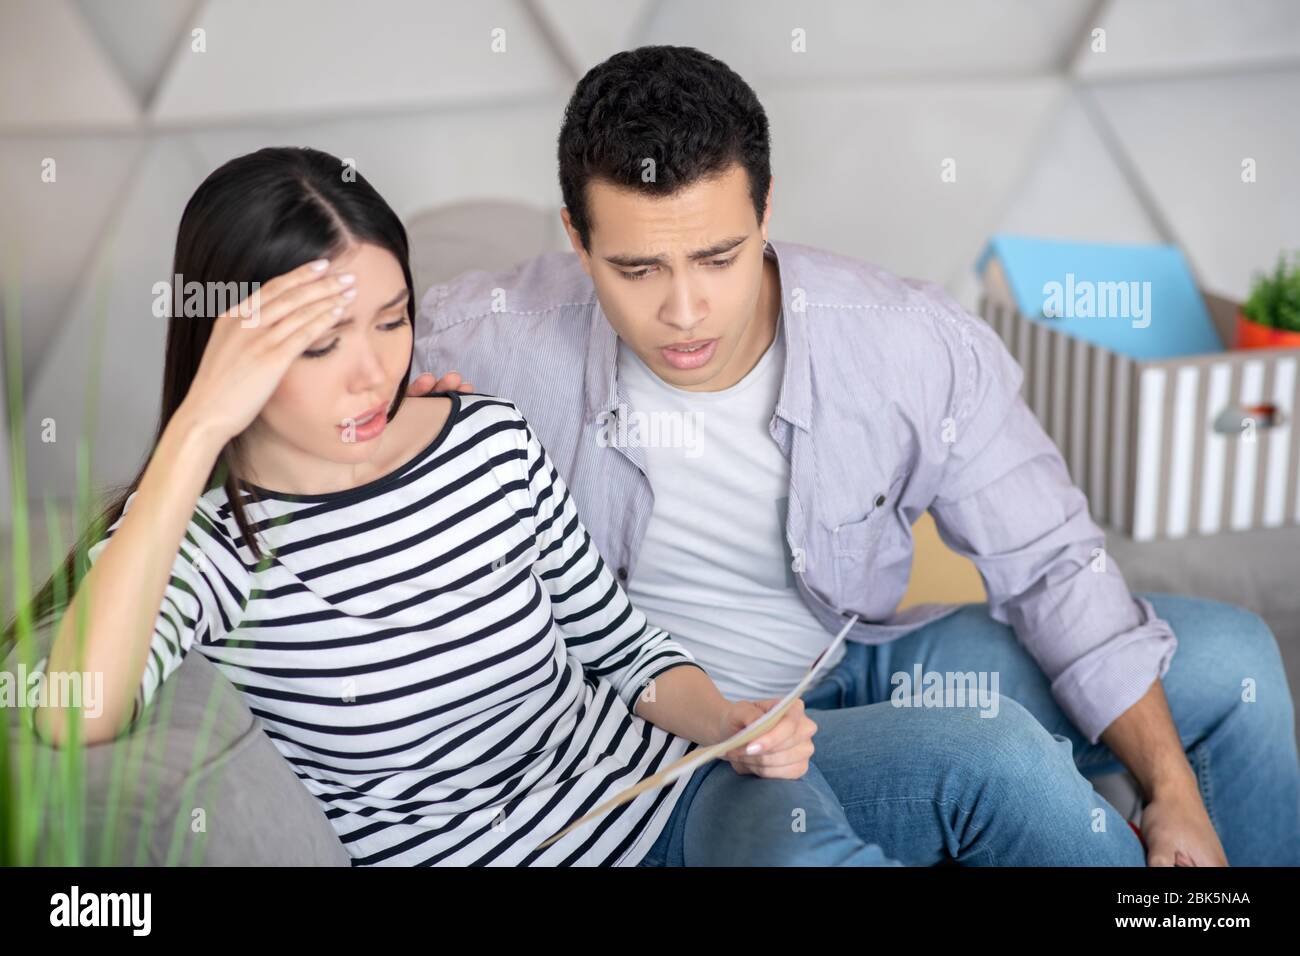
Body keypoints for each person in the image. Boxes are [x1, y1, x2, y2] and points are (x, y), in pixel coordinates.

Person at [411, 45, 1300, 866]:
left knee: (1236, 660)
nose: (684, 312)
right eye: (637, 270)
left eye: (718, 258)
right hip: (677, 735)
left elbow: (1054, 565)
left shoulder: (908, 343)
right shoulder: (478, 340)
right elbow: (301, 406)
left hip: (852, 662)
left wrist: (1172, 790)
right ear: (576, 237)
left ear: (766, 208)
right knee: (993, 752)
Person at [9, 146, 895, 867]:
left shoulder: (483, 436)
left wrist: (728, 725)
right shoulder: (202, 546)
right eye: (319, 345)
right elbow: (74, 710)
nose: (373, 373)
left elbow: (621, 649)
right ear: (228, 352)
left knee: (994, 761)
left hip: (676, 791)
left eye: (392, 322)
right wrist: (197, 428)